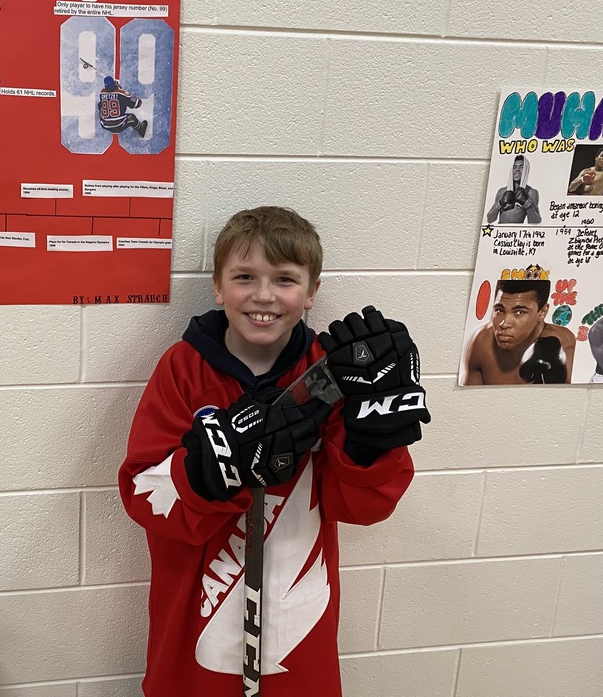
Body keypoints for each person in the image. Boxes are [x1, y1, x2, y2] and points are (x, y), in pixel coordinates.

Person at [119, 206, 429, 697]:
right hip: (195, 627)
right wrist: (210, 472)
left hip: (296, 633)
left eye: (284, 279)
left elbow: (364, 505)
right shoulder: (182, 370)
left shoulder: (330, 375)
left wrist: (373, 440)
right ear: (219, 287)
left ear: (311, 293)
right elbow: (142, 492)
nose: (263, 295)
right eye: (245, 277)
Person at [463, 278, 576, 384]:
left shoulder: (565, 342)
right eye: (500, 310)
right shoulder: (482, 342)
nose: (504, 324)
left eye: (519, 312)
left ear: (542, 312)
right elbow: (468, 400)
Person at [486, 154, 541, 224]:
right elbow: (490, 219)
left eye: (521, 167)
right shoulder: (502, 191)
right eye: (515, 167)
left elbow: (535, 221)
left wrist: (527, 204)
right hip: (500, 232)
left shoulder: (531, 192)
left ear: (526, 170)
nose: (517, 170)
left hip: (516, 233)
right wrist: (499, 204)